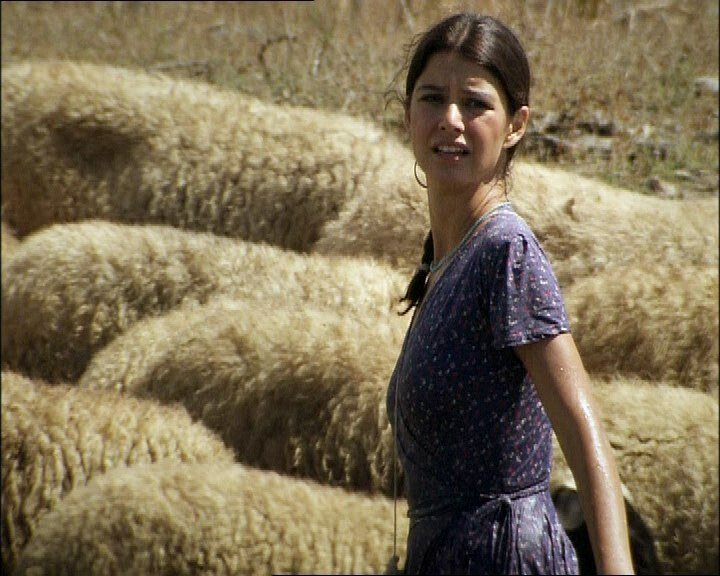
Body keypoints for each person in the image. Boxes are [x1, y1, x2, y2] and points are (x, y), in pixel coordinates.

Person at [386, 12, 635, 575]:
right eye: (432, 99)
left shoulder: (505, 252)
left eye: (475, 104)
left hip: (504, 555)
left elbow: (581, 426)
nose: (451, 120)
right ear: (408, 114)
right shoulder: (447, 260)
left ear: (516, 125)